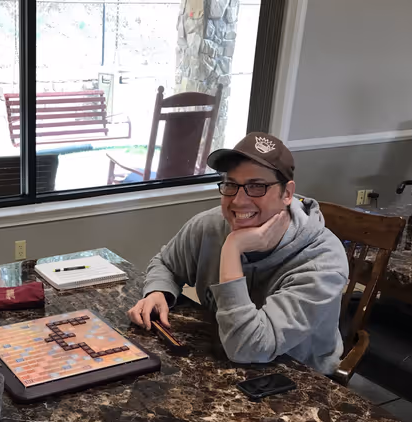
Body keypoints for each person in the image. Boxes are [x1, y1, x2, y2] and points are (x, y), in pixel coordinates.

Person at [128, 133, 349, 374]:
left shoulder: (323, 259)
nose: (238, 200)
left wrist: (232, 249)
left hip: (301, 379)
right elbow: (166, 263)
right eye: (231, 185)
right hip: (222, 361)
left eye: (257, 186)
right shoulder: (210, 225)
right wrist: (159, 291)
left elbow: (249, 347)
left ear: (287, 193)